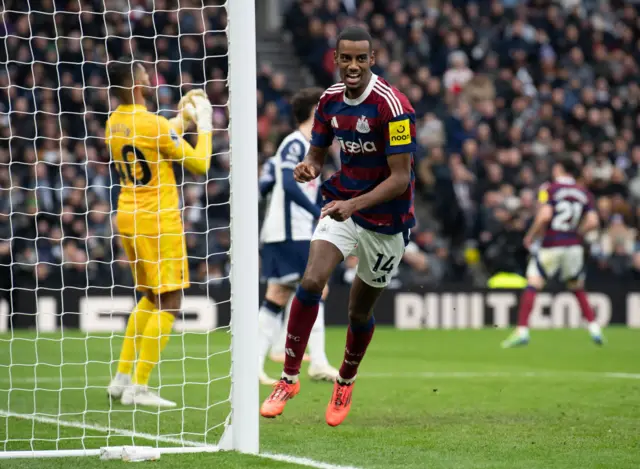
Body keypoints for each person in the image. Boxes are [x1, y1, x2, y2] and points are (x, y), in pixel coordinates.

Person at [260, 26, 417, 427]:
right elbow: (317, 152)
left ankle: (345, 380)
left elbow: (400, 178)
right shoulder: (329, 101)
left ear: (372, 59)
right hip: (342, 206)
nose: (352, 65)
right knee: (310, 281)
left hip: (385, 221)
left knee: (357, 312)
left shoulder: (392, 107)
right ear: (335, 58)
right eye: (345, 58)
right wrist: (309, 166)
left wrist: (354, 205)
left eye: (360, 58)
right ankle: (288, 378)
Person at [105, 60, 213, 407]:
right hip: (158, 220)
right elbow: (199, 163)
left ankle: (122, 377)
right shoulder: (151, 124)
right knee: (170, 300)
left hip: (128, 216)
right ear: (136, 86)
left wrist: (182, 118)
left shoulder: (114, 122)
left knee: (150, 296)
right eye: (144, 77)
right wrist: (205, 125)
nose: (150, 79)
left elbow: (158, 137)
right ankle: (139, 387)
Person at [258, 87, 339, 386]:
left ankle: (254, 364)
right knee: (315, 290)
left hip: (296, 230)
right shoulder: (294, 143)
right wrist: (316, 210)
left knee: (279, 295)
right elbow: (289, 184)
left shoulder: (313, 145)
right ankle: (317, 361)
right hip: (290, 230)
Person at [501, 157, 604, 348]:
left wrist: (530, 235)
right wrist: (576, 233)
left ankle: (522, 330)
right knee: (577, 286)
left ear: (559, 168)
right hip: (573, 246)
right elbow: (593, 222)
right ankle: (594, 328)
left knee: (533, 282)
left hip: (552, 243)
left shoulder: (550, 188)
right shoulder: (584, 192)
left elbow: (545, 215)